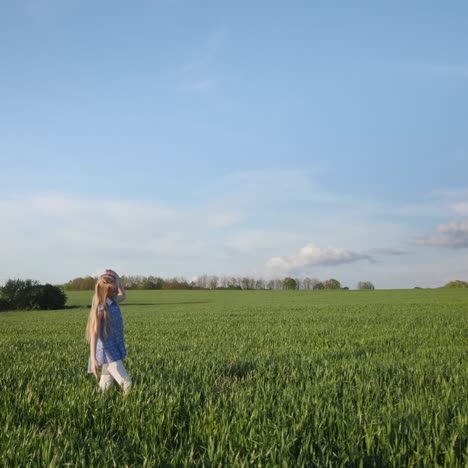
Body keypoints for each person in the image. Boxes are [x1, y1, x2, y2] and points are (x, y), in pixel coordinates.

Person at [85, 269, 132, 394]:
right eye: (115, 286)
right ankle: (126, 410)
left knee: (105, 386)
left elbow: (124, 295)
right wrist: (94, 358)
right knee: (127, 383)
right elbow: (93, 334)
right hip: (108, 351)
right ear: (108, 291)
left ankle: (98, 405)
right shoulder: (101, 307)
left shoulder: (113, 301)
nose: (118, 288)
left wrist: (117, 277)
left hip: (113, 347)